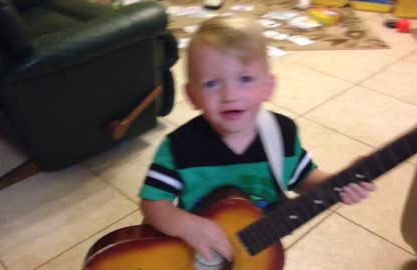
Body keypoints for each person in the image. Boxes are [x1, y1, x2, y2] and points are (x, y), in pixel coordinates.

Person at [138, 15, 375, 263]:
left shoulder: (282, 135)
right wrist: (187, 226)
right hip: (198, 255)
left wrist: (341, 181)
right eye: (211, 83)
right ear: (192, 95)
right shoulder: (180, 147)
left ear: (268, 86)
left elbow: (302, 178)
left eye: (245, 79)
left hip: (256, 252)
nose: (230, 95)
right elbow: (153, 203)